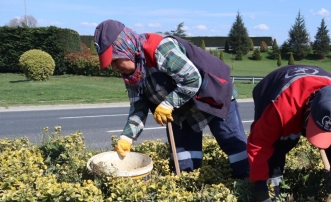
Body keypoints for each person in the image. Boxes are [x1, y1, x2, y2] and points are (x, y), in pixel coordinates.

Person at [93, 19, 249, 178]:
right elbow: (138, 108)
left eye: (115, 60)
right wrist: (127, 137)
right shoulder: (132, 76)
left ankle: (250, 186)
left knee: (234, 144)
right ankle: (189, 190)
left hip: (213, 96)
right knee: (183, 159)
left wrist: (168, 104)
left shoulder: (159, 48)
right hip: (182, 110)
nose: (114, 67)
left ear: (126, 48)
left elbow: (192, 79)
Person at [247, 65, 331, 202]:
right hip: (272, 90)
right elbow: (259, 145)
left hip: (307, 98)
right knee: (276, 151)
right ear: (309, 108)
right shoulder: (281, 107)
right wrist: (260, 189)